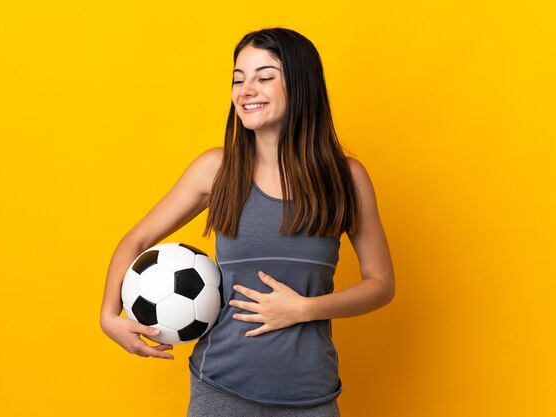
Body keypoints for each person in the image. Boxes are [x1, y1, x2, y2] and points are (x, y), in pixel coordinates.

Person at [100, 27, 395, 417]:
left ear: (301, 86)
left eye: (264, 77)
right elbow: (136, 241)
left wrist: (304, 309)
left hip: (311, 396)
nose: (246, 89)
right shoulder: (216, 169)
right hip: (221, 390)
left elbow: (381, 284)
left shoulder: (346, 178)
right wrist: (109, 317)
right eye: (239, 79)